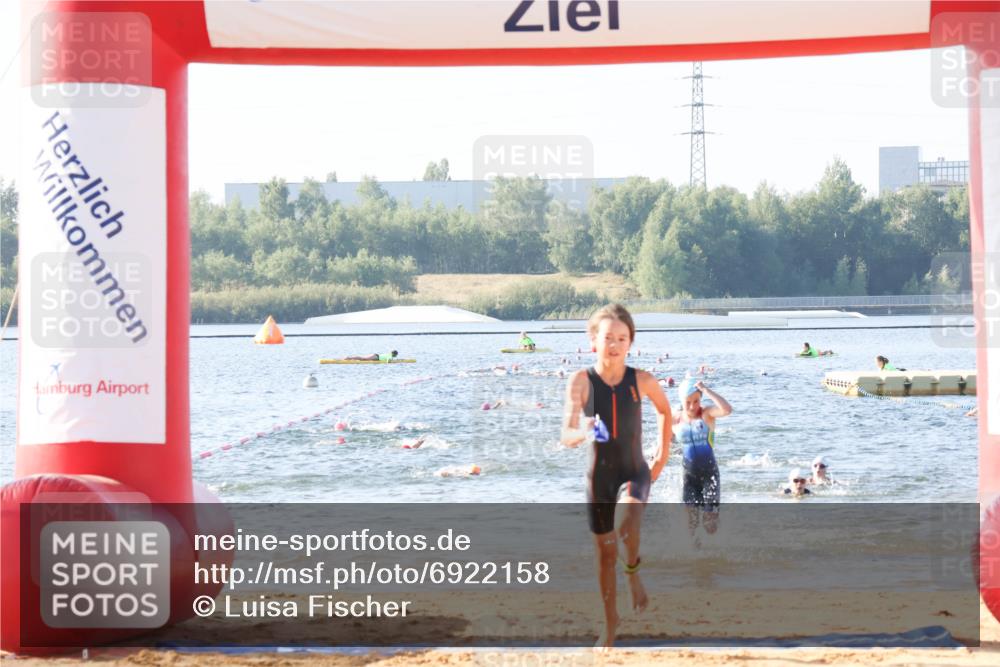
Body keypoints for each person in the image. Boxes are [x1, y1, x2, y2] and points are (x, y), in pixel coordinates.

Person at [561, 304, 672, 650]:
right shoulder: (581, 381)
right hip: (599, 477)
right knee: (605, 553)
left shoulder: (642, 380)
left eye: (621, 338)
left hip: (634, 471)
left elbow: (665, 411)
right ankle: (610, 622)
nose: (614, 344)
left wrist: (662, 455)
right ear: (593, 340)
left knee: (626, 528)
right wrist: (585, 432)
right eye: (608, 337)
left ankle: (634, 573)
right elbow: (566, 433)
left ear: (630, 344)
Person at [675, 376, 732, 538]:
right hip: (689, 476)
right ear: (681, 400)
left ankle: (714, 550)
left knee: (710, 525)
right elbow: (664, 440)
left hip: (709, 475)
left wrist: (706, 390)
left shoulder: (707, 414)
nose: (692, 406)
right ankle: (693, 555)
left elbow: (727, 409)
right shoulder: (676, 418)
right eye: (688, 402)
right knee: (690, 524)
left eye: (696, 401)